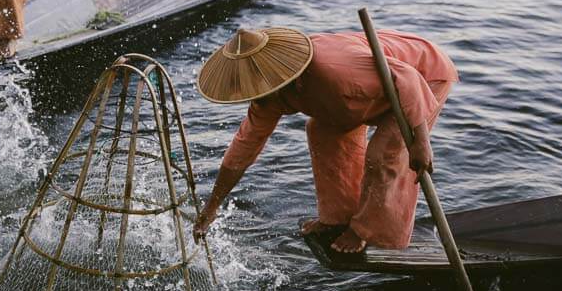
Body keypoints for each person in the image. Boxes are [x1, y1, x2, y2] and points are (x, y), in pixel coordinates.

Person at [192, 26, 458, 253]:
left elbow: (409, 78)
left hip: (423, 78)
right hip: (372, 91)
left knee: (383, 153)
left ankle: (364, 230)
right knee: (321, 131)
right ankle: (338, 218)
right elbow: (243, 149)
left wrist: (421, 141)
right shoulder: (267, 99)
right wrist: (212, 206)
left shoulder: (334, 68)